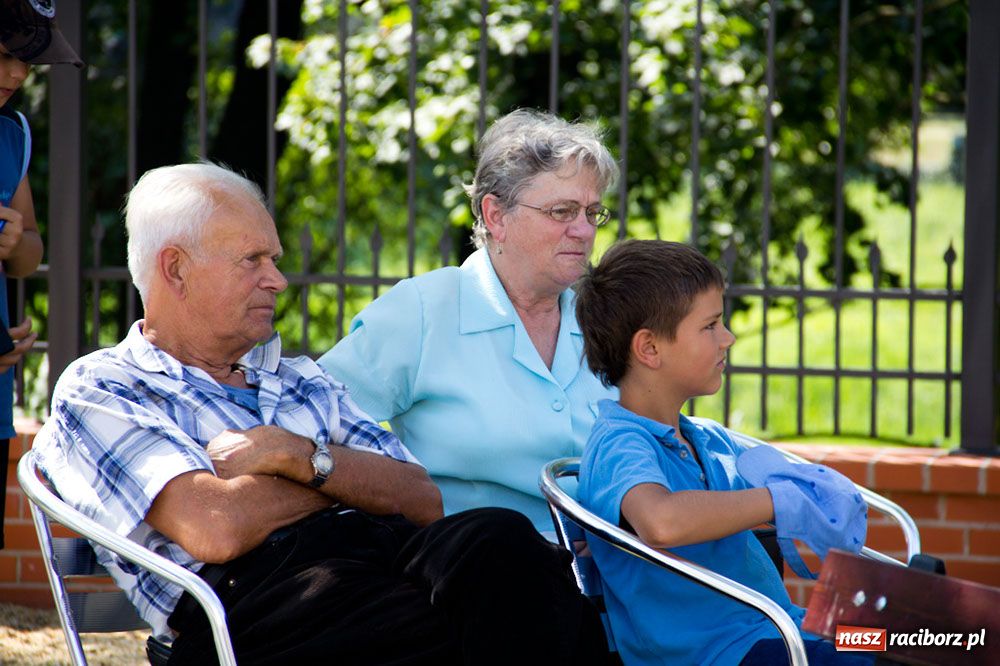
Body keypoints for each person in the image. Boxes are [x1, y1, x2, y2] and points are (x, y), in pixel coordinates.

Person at [33, 162, 610, 665]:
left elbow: (419, 496)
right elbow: (216, 526)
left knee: (501, 540)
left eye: (275, 258)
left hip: (377, 564)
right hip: (249, 608)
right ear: (176, 268)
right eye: (252, 260)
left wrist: (297, 457)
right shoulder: (106, 385)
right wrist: (345, 481)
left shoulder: (298, 376)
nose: (277, 279)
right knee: (509, 615)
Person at [319, 109, 620, 532]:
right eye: (562, 211)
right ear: (495, 215)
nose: (583, 231)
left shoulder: (604, 320)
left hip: (609, 573)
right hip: (470, 574)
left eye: (592, 213)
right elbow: (309, 421)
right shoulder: (424, 311)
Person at [574, 239, 871, 665]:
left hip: (787, 633)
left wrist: (809, 491)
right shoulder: (619, 443)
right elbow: (661, 521)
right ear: (650, 349)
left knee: (930, 643)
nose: (728, 338)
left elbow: (770, 497)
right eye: (710, 325)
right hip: (726, 654)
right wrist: (776, 500)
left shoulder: (707, 439)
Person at [0, 0, 83, 549]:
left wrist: (15, 242)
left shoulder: (12, 133)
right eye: (4, 55)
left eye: (26, 60)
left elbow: (31, 248)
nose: (18, 74)